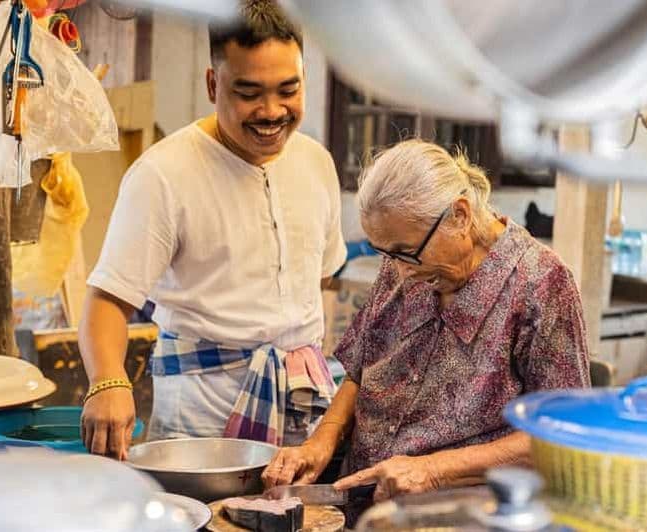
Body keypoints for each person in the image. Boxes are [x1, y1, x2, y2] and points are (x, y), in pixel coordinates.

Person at [78, 0, 345, 459]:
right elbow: (107, 301)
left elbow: (322, 278)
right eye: (249, 92)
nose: (272, 110)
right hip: (199, 416)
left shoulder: (316, 162)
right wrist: (108, 381)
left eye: (289, 90)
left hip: (301, 406)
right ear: (212, 83)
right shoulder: (163, 174)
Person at [262, 140, 590, 505]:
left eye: (407, 254)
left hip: (461, 514)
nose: (401, 271)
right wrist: (322, 440)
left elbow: (563, 433)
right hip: (365, 506)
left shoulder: (540, 283)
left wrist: (434, 470)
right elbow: (361, 368)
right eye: (388, 254)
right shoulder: (405, 256)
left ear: (460, 215)